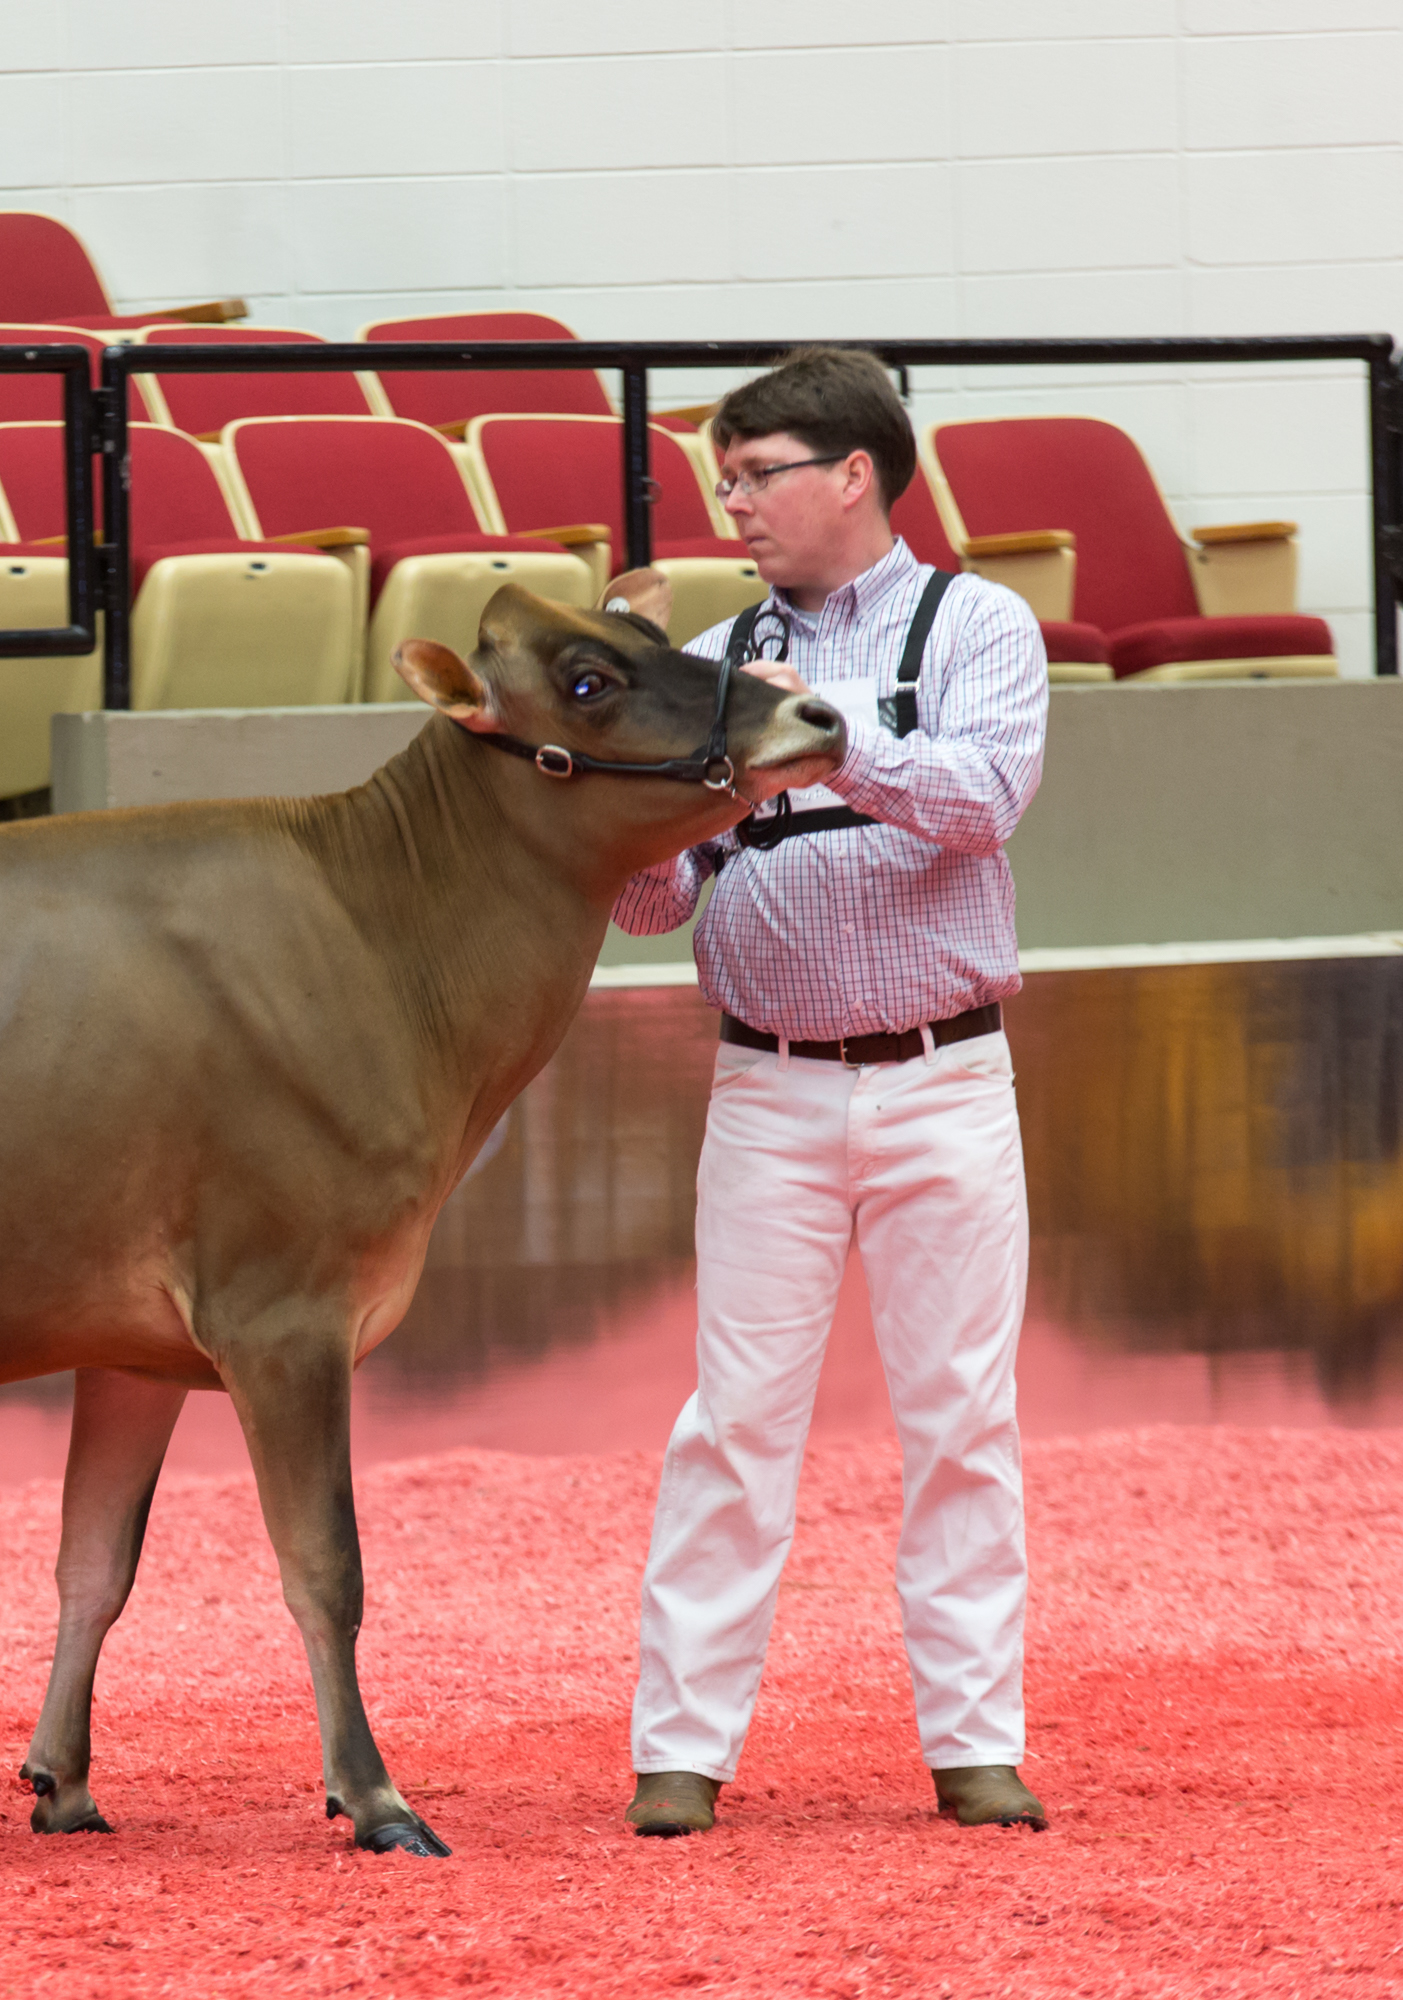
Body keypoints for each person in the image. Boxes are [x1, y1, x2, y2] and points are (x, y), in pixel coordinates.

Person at [612, 347, 1051, 1837]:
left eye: (757, 475)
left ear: (854, 474)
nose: (732, 504)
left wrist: (828, 737)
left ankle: (976, 1743)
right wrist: (630, 794)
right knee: (733, 1424)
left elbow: (983, 806)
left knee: (962, 1419)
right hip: (768, 1086)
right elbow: (657, 906)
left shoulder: (977, 623)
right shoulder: (713, 654)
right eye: (724, 480)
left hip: (946, 1075)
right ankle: (681, 1752)